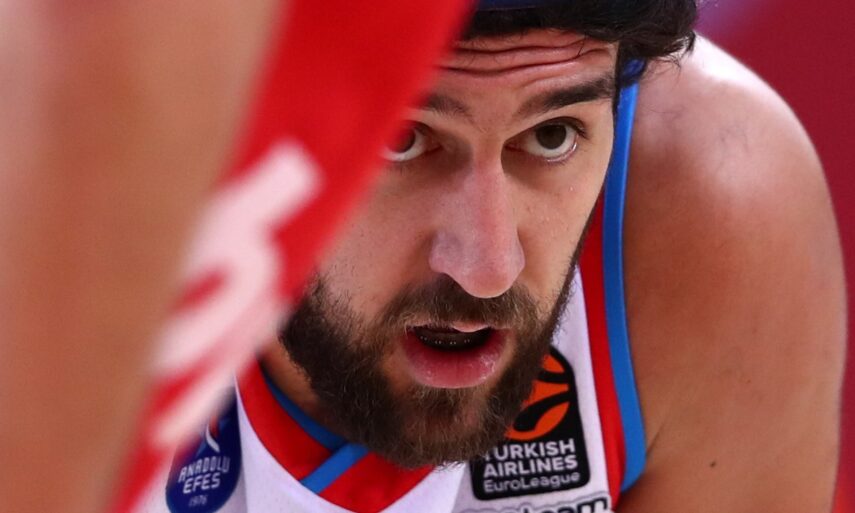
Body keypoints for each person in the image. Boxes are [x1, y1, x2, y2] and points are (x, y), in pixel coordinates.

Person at [135, 1, 847, 512]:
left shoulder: (709, 204)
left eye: (551, 135)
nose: (487, 266)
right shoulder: (92, 203)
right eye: (403, 139)